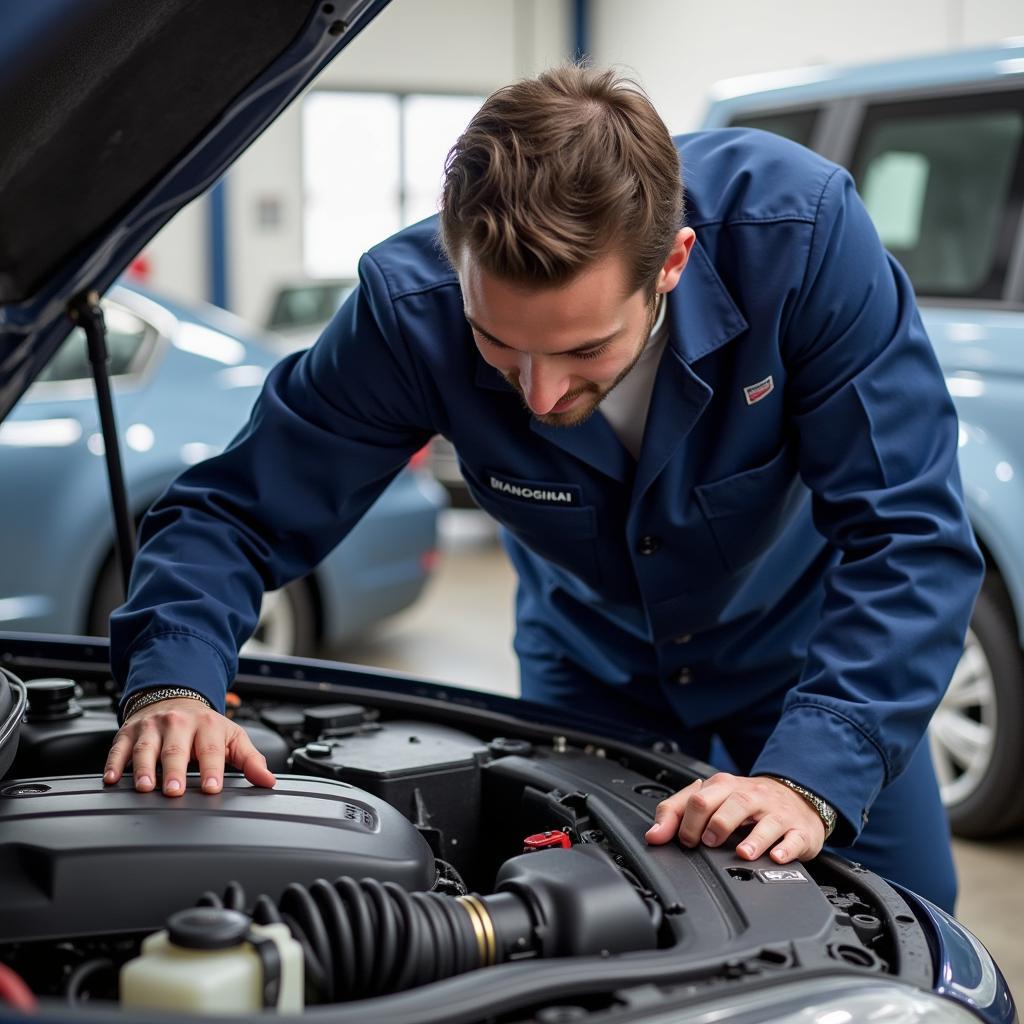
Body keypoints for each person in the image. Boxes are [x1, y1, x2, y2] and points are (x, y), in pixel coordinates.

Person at [103, 65, 982, 913]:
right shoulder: (409, 311)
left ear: (673, 262)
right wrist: (172, 684)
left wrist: (808, 776)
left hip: (817, 660)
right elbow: (231, 510)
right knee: (592, 921)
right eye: (497, 343)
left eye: (585, 350)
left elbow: (907, 530)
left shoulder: (798, 238)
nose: (539, 394)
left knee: (905, 917)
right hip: (589, 667)